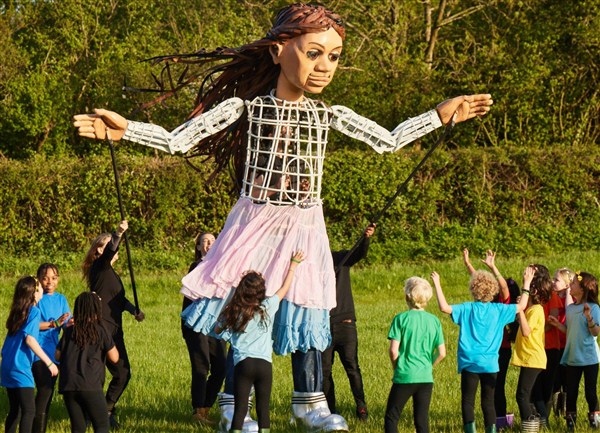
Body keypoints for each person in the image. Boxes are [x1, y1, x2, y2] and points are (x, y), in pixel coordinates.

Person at [73, 3, 492, 431]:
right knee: (245, 307)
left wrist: (439, 116)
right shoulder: (248, 107)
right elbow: (180, 139)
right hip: (255, 220)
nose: (325, 66)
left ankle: (309, 402)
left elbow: (387, 141)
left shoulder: (329, 114)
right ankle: (235, 404)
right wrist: (127, 130)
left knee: (307, 307)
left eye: (333, 56)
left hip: (307, 223)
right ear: (277, 52)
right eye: (314, 53)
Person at [432, 266, 533, 433]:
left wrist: (437, 284)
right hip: (490, 364)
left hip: (469, 362)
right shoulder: (499, 310)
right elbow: (522, 305)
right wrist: (526, 283)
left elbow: (444, 307)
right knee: (488, 401)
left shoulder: (466, 308)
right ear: (493, 291)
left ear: (473, 289)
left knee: (468, 401)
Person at [215, 251, 305, 433]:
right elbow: (283, 288)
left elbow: (217, 330)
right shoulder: (267, 306)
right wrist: (293, 265)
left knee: (240, 409)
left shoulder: (234, 310)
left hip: (243, 364)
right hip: (265, 365)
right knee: (263, 410)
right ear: (261, 290)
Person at [81, 220, 145, 428]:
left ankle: (106, 408)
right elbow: (109, 252)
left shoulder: (110, 273)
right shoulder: (99, 267)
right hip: (100, 329)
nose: (113, 249)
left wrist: (133, 310)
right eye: (108, 245)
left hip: (115, 330)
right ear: (100, 249)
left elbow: (118, 299)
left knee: (123, 373)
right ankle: (97, 414)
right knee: (99, 374)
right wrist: (118, 233)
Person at [322, 224, 375, 421]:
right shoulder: (311, 267)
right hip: (323, 327)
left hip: (345, 323)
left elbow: (359, 253)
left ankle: (361, 406)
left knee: (352, 367)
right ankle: (331, 411)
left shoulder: (340, 258)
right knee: (325, 372)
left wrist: (366, 237)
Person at [462, 249, 517, 430]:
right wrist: (468, 264)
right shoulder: (489, 304)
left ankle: (500, 420)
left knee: (496, 387)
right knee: (489, 392)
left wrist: (493, 267)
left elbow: (503, 287)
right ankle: (497, 423)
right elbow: (479, 281)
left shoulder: (502, 305)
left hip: (501, 351)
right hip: (488, 353)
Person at [384, 275, 445, 433]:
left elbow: (393, 350)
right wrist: (428, 365)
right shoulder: (434, 321)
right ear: (427, 298)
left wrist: (396, 366)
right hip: (425, 377)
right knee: (421, 421)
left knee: (392, 417)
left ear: (406, 296)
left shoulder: (400, 319)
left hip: (404, 375)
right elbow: (441, 353)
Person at [1, 276, 59, 433]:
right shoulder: (34, 312)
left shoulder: (17, 313)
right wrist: (50, 363)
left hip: (7, 366)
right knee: (29, 411)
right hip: (20, 368)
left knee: (15, 410)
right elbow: (30, 340)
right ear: (34, 293)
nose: (42, 291)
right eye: (39, 287)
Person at [56, 292, 119, 433]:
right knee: (102, 426)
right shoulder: (100, 330)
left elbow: (57, 355)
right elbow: (114, 358)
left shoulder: (69, 331)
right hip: (90, 385)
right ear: (97, 309)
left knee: (78, 428)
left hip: (69, 386)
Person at [182, 232, 227, 424]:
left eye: (212, 241)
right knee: (201, 367)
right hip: (195, 325)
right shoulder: (197, 267)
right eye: (204, 242)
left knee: (221, 368)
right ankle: (197, 411)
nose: (209, 244)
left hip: (215, 325)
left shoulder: (222, 266)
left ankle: (205, 408)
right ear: (199, 247)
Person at [548, 271, 600, 430]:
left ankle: (595, 422)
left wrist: (589, 317)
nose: (570, 286)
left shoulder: (593, 307)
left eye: (573, 284)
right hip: (572, 358)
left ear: (583, 289)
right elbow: (570, 330)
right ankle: (570, 424)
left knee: (590, 392)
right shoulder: (570, 309)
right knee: (571, 392)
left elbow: (595, 332)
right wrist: (558, 325)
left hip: (590, 358)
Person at [510, 264, 552, 433]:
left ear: (534, 291)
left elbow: (526, 331)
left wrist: (520, 311)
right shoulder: (532, 309)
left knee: (522, 396)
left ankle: (530, 427)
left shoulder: (536, 310)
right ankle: (536, 422)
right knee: (527, 395)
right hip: (531, 359)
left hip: (533, 359)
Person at [31, 263, 71, 433]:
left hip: (54, 354)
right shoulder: (35, 299)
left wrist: (74, 323)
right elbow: (31, 325)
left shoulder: (61, 299)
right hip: (37, 353)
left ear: (58, 279)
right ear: (39, 280)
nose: (49, 282)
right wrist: (54, 323)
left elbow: (67, 324)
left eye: (53, 278)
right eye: (45, 278)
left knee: (47, 394)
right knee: (44, 392)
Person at [531, 267, 572, 426]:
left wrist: (535, 332)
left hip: (550, 346)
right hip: (540, 347)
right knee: (542, 386)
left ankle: (546, 418)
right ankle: (543, 418)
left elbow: (554, 319)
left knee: (546, 386)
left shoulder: (552, 296)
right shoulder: (534, 296)